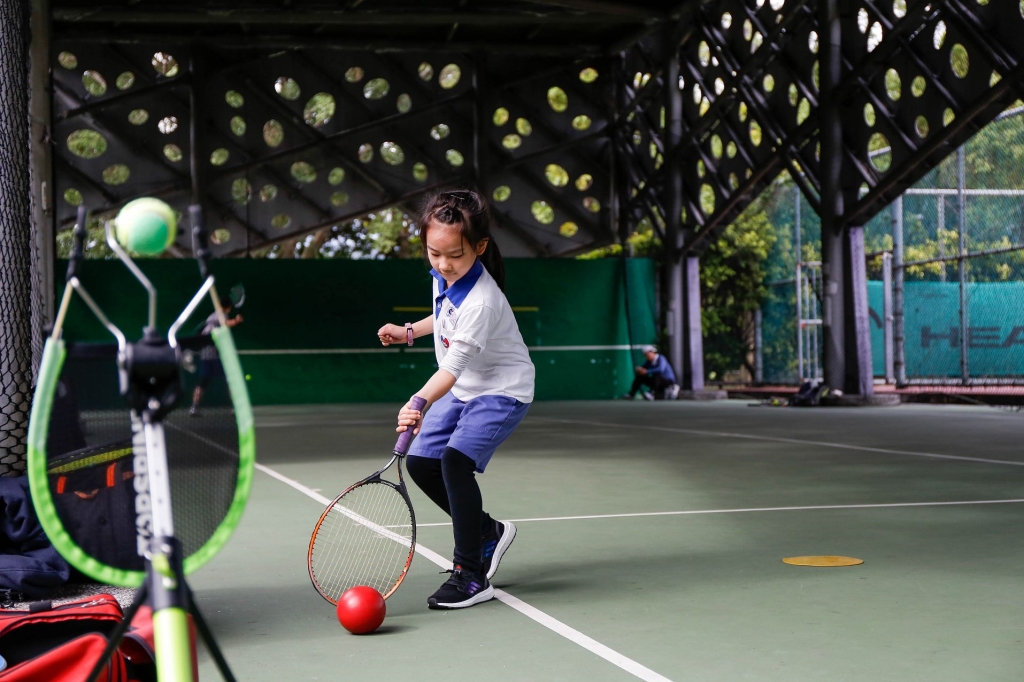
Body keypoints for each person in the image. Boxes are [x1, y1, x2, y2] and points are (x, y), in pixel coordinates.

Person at [377, 188, 534, 610]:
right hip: (466, 387)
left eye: (455, 256)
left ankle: (471, 574)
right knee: (421, 463)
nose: (443, 264)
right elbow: (446, 315)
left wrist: (417, 401)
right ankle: (487, 532)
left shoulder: (483, 301)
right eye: (434, 254)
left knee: (453, 461)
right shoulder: (444, 275)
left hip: (502, 388)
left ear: (479, 247)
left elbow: (452, 368)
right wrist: (409, 331)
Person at [190, 302, 243, 416]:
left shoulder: (211, 316)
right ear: (228, 307)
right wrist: (236, 321)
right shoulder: (222, 315)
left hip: (205, 355)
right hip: (216, 356)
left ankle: (194, 407)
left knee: (202, 382)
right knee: (230, 381)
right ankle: (236, 408)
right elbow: (226, 323)